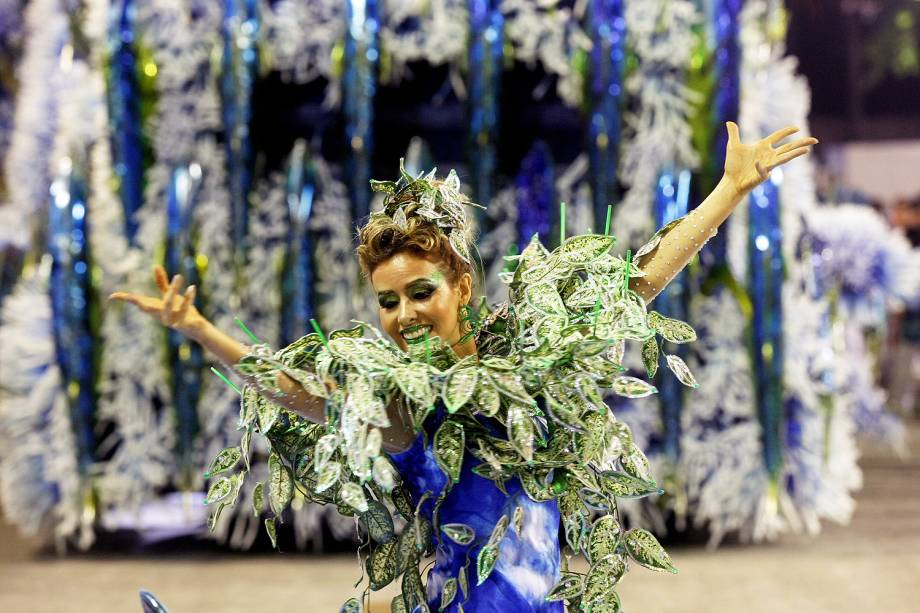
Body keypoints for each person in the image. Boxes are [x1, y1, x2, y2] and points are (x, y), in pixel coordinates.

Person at [111, 122, 816, 612]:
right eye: (388, 301)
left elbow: (636, 285)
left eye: (421, 291)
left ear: (463, 287)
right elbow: (303, 393)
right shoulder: (397, 403)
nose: (405, 313)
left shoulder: (531, 356)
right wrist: (200, 329)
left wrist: (729, 191)